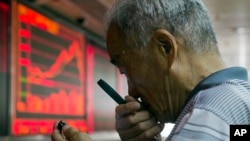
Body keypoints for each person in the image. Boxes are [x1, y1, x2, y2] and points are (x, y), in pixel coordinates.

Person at [51, 0, 250, 141]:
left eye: (126, 70)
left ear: (165, 48)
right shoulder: (237, 102)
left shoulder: (208, 116)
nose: (131, 92)